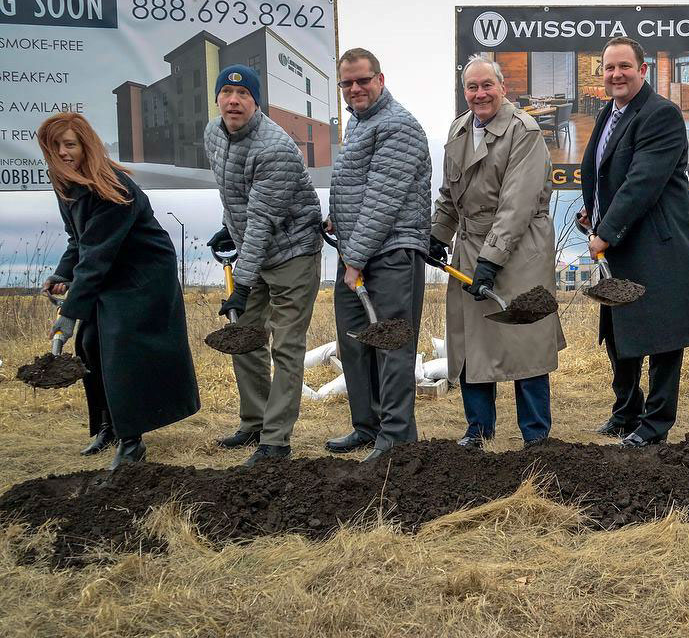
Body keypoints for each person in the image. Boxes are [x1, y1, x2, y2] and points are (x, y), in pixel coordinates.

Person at [38, 113, 199, 470]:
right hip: (111, 269)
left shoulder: (112, 187)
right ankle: (109, 426)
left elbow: (97, 255)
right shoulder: (64, 182)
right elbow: (79, 241)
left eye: (70, 144)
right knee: (90, 344)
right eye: (56, 146)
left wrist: (68, 314)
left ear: (86, 146)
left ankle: (131, 441)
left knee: (120, 349)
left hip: (143, 273)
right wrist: (62, 272)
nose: (63, 153)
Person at [579, 37, 689, 447]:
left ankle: (654, 426)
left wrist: (605, 231)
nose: (616, 74)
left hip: (658, 246)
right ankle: (626, 412)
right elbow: (604, 174)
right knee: (620, 332)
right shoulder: (609, 112)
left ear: (643, 70)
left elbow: (642, 183)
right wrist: (594, 215)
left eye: (624, 66)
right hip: (622, 243)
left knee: (663, 337)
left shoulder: (661, 115)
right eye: (609, 68)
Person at [429, 55, 565, 448]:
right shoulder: (458, 130)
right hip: (471, 247)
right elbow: (449, 195)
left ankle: (536, 436)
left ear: (502, 87)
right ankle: (478, 430)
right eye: (472, 87)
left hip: (520, 249)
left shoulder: (524, 130)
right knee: (472, 342)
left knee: (525, 340)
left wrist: (491, 259)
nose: (479, 94)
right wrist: (438, 235)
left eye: (487, 85)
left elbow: (517, 203)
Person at [204, 65, 322, 467]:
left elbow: (263, 220)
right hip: (255, 245)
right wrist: (227, 228)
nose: (233, 101)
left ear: (256, 103)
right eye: (226, 94)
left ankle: (276, 441)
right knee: (245, 337)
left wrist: (241, 282)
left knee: (287, 346)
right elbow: (234, 193)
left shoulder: (275, 148)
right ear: (218, 98)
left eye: (243, 96)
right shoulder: (213, 134)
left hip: (293, 252)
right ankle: (253, 421)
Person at [325, 48, 431, 461]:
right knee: (355, 343)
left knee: (392, 346)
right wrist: (338, 218)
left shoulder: (398, 126)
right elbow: (359, 189)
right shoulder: (360, 124)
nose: (355, 89)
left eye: (363, 80)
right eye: (347, 83)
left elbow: (383, 200)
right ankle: (366, 426)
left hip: (390, 253)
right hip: (358, 251)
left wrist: (354, 260)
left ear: (380, 80)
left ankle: (397, 438)